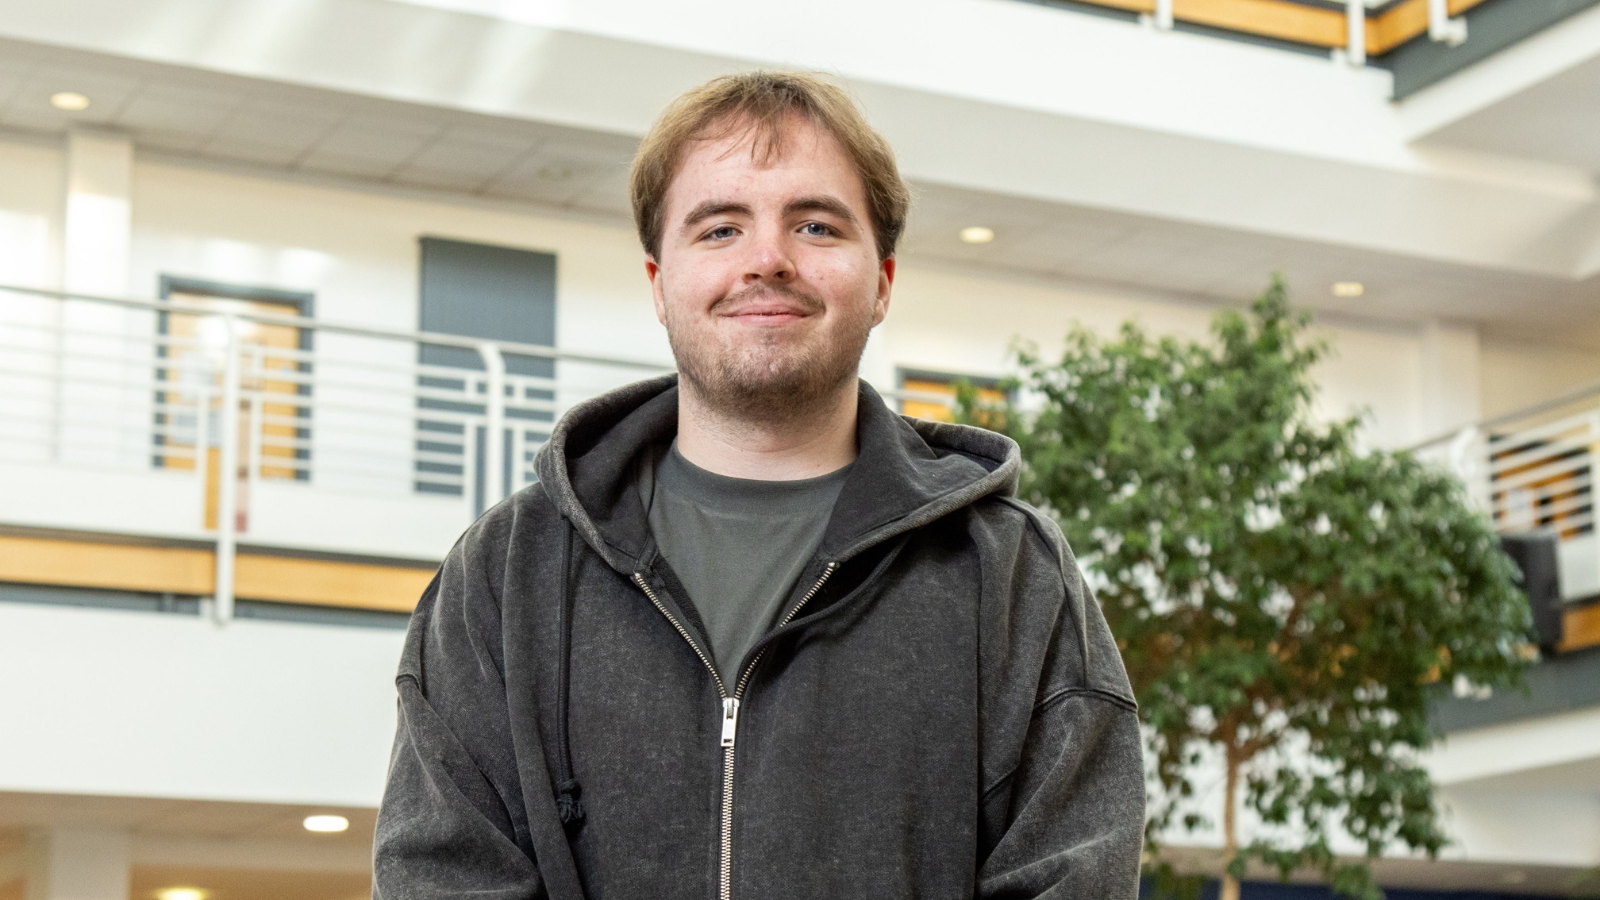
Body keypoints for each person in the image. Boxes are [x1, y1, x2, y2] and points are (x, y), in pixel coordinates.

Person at [373, 71, 1145, 899]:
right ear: (658, 285)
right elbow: (440, 878)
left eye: (815, 225)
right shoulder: (505, 577)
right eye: (719, 229)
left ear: (881, 281)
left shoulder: (1010, 576)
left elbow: (1073, 878)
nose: (767, 260)